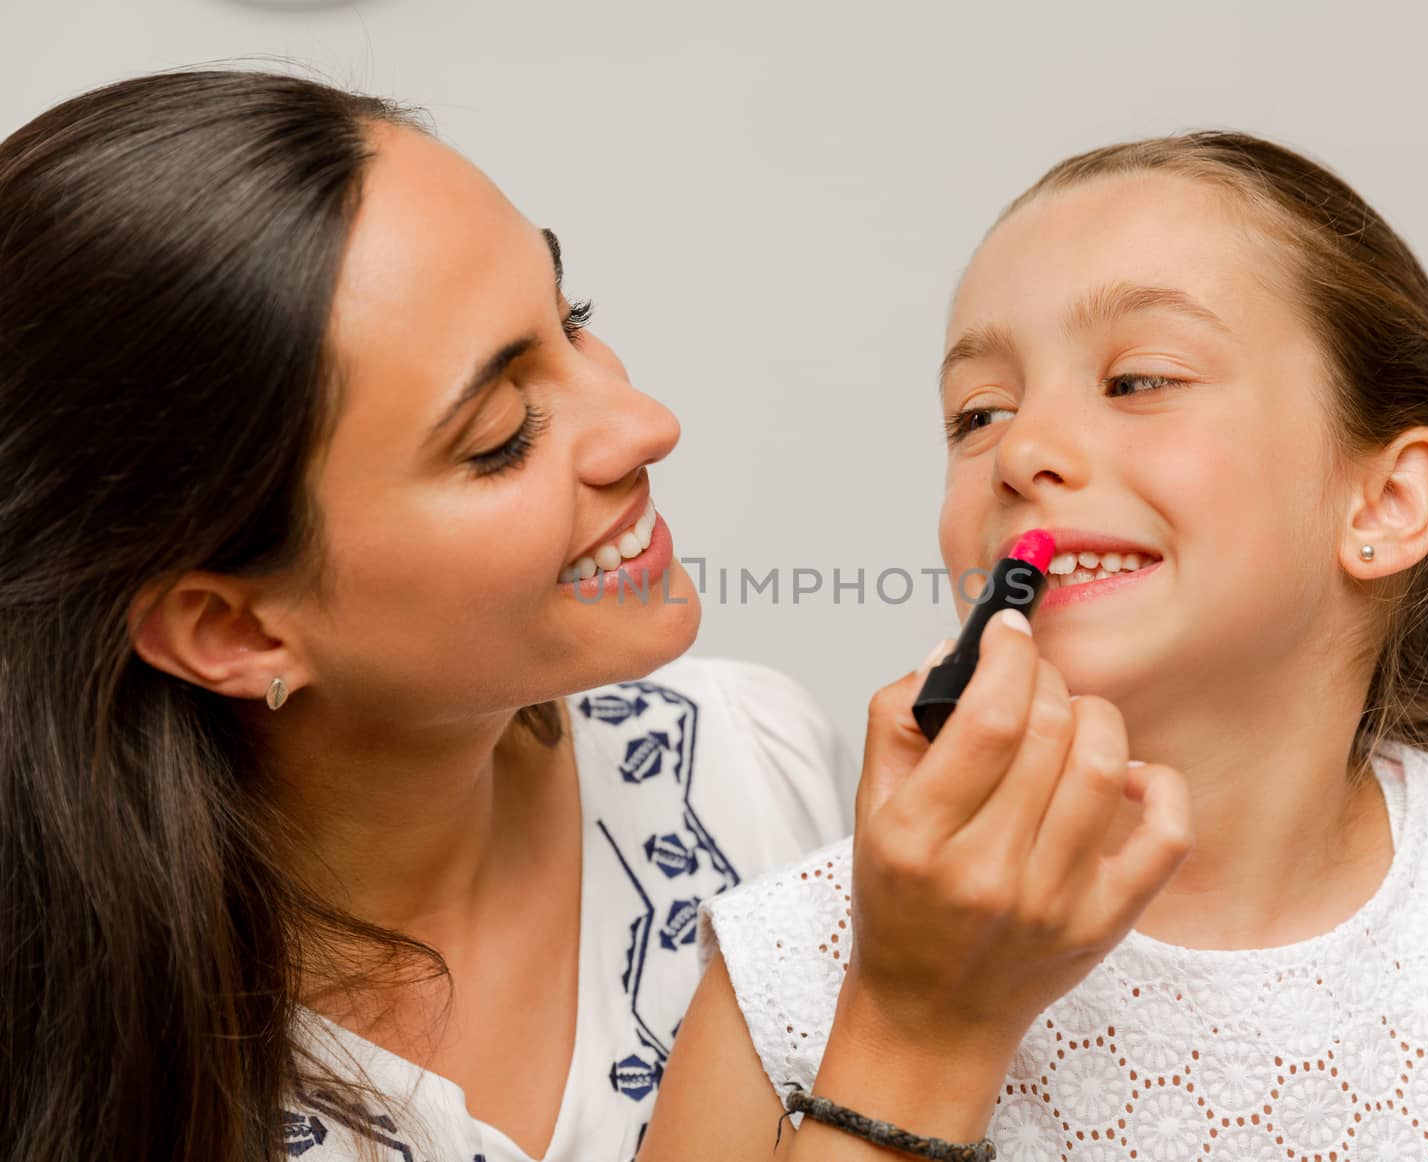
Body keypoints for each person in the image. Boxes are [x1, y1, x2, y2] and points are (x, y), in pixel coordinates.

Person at [640, 131, 1428, 1161]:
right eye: (977, 413)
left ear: (1387, 500)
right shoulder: (792, 964)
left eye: (1139, 380)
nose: (1021, 451)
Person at [0, 68, 848, 1162]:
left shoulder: (747, 766)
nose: (643, 423)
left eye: (572, 319)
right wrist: (916, 1045)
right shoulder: (86, 1073)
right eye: (499, 434)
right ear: (232, 630)